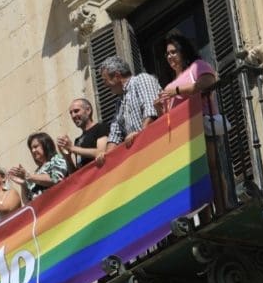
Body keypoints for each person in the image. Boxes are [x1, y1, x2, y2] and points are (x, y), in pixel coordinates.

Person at [155, 32, 231, 211]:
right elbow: (167, 118)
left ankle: (223, 206)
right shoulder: (168, 86)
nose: (170, 56)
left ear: (183, 51)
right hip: (183, 135)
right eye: (167, 54)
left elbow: (207, 83)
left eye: (173, 52)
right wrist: (159, 109)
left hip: (203, 125)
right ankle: (205, 216)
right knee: (195, 177)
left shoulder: (197, 66)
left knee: (211, 166)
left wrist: (177, 91)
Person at [94, 55, 162, 166]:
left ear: (117, 76)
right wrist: (106, 155)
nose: (105, 85)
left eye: (105, 80)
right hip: (141, 156)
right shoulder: (119, 103)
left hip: (156, 145)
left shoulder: (141, 79)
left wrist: (139, 135)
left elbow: (151, 111)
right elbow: (115, 135)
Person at [9, 132, 68, 201]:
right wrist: (23, 184)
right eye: (31, 149)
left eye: (36, 147)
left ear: (46, 145)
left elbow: (55, 179)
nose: (33, 151)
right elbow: (27, 202)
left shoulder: (57, 159)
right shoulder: (36, 173)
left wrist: (28, 176)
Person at [56, 98, 110, 174]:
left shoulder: (101, 127)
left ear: (88, 110)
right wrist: (67, 157)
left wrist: (72, 148)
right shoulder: (77, 140)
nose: (73, 116)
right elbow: (75, 174)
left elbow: (102, 152)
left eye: (76, 111)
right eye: (71, 113)